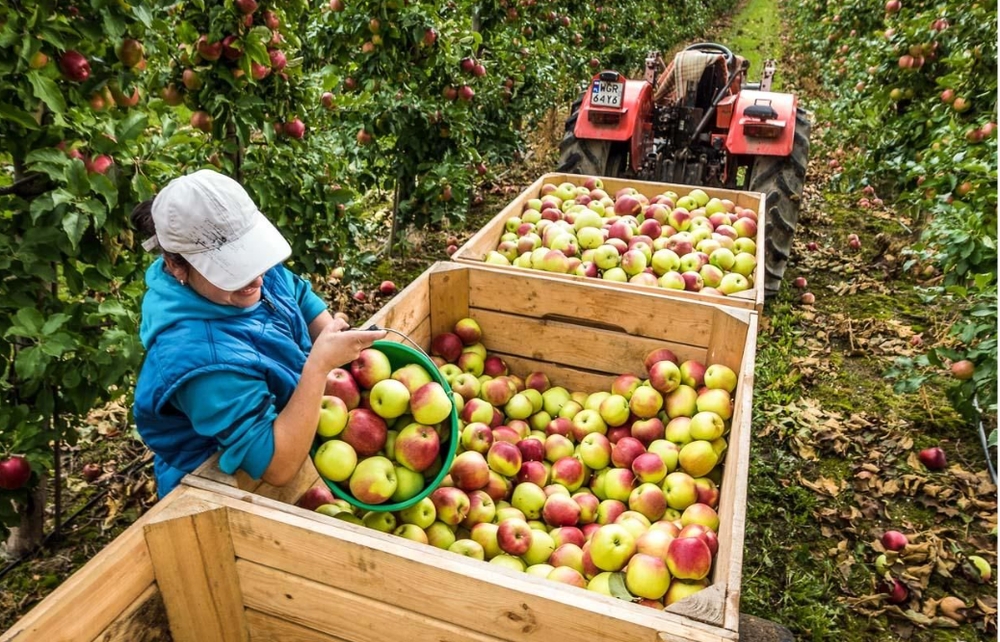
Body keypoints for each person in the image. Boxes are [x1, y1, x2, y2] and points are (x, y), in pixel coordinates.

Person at [130, 169, 385, 497]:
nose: (256, 280)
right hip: (221, 493)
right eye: (231, 270)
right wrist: (319, 367)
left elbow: (295, 294)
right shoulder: (197, 361)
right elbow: (276, 467)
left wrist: (331, 338)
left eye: (254, 258)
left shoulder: (250, 274)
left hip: (297, 425)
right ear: (177, 266)